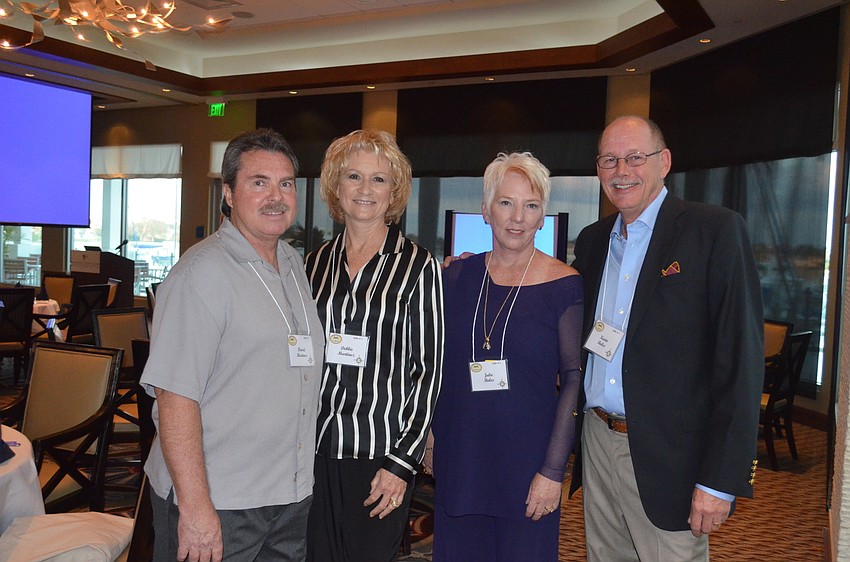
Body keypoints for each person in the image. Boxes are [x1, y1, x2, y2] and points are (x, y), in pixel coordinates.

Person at [570, 116, 764, 561]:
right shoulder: (594, 241)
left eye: (635, 157)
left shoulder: (715, 231)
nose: (622, 170)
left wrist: (719, 480)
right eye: (609, 159)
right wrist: (485, 267)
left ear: (665, 162)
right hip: (598, 442)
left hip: (673, 456)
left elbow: (741, 363)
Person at [141, 128, 325, 562]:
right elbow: (175, 399)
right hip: (220, 501)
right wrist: (197, 508)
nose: (275, 196)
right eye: (259, 183)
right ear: (228, 193)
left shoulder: (294, 263)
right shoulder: (200, 275)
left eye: (285, 184)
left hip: (290, 495)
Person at [431, 152, 583, 561]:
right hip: (461, 456)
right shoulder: (455, 277)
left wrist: (554, 471)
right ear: (485, 211)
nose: (517, 217)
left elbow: (573, 378)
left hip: (528, 466)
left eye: (530, 206)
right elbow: (435, 365)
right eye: (506, 203)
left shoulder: (565, 285)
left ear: (542, 216)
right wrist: (430, 436)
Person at [304, 130, 444, 562]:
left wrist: (403, 463)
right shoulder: (313, 263)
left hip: (379, 458)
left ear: (394, 191)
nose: (365, 190)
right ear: (336, 187)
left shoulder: (419, 267)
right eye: (354, 177)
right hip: (312, 451)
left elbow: (429, 373)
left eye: (379, 180)